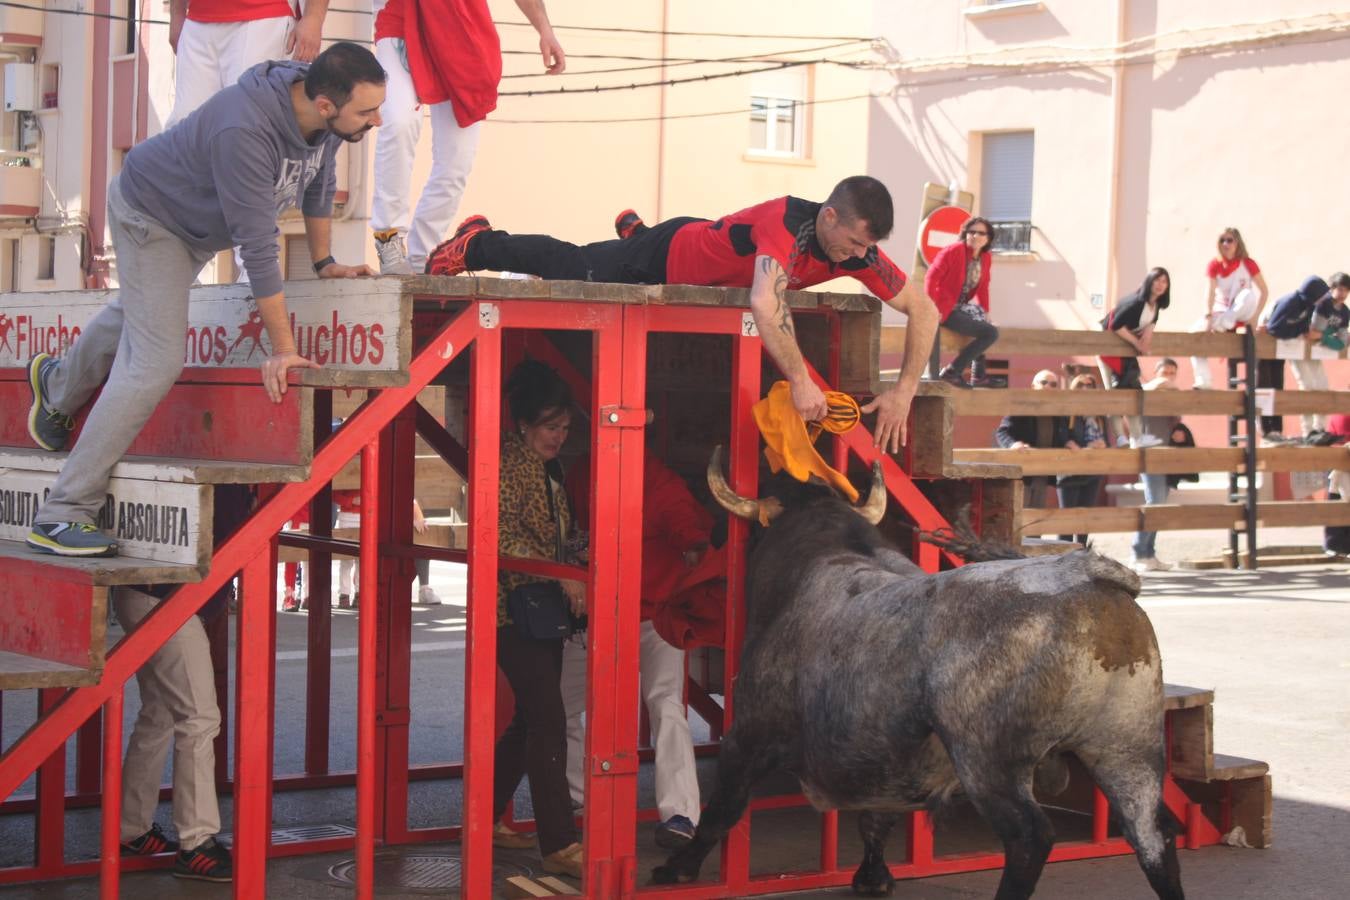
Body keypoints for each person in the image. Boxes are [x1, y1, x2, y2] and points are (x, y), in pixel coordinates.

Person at [23, 44, 384, 557]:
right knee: (154, 362)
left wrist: (324, 262)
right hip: (153, 215)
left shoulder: (324, 112)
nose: (378, 120)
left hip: (192, 224)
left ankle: (58, 384)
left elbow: (318, 182)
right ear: (325, 104)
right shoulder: (246, 130)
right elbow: (258, 251)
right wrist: (282, 349)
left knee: (139, 312)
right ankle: (63, 512)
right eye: (367, 112)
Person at [425, 176, 939, 452]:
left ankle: (633, 230)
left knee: (621, 253)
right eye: (849, 242)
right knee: (576, 265)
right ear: (829, 216)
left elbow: (926, 310)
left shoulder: (860, 251)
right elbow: (766, 301)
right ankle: (478, 243)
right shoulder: (788, 222)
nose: (854, 257)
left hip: (706, 250)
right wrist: (802, 383)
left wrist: (904, 392)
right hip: (665, 259)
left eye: (863, 248)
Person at [561, 447, 716, 850]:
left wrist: (696, 545)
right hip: (604, 612)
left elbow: (682, 520)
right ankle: (578, 797)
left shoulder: (654, 477)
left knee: (664, 701)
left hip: (654, 613)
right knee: (556, 702)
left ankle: (681, 812)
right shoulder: (582, 470)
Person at [116, 484, 253, 883]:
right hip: (167, 599)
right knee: (198, 718)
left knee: (159, 713)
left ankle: (131, 829)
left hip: (146, 592)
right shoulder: (227, 473)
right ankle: (196, 844)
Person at [369, 0, 566, 274]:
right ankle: (388, 237)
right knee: (399, 122)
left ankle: (423, 258)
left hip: (461, 28)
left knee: (457, 161)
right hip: (400, 17)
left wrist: (545, 29)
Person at [490, 360, 586, 879]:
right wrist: (559, 571)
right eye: (551, 427)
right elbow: (497, 534)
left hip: (541, 609)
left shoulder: (549, 467)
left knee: (530, 718)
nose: (559, 437)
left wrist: (573, 565)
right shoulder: (509, 462)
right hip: (512, 608)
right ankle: (558, 842)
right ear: (524, 423)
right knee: (549, 720)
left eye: (566, 428)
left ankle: (483, 820)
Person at [167, 0, 329, 127]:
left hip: (264, 16)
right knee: (184, 123)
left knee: (247, 122)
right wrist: (177, 14)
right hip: (197, 19)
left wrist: (313, 17)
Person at [1190, 227, 1268, 389]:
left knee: (1247, 295)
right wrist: (1208, 317)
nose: (1226, 244)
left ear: (1237, 243)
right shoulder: (1214, 265)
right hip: (1223, 312)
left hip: (1243, 312)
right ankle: (1203, 380)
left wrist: (1255, 318)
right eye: (1222, 240)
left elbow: (1264, 291)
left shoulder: (1248, 264)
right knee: (1194, 333)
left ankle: (1226, 322)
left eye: (1230, 240)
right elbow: (1210, 292)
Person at [926, 216, 1000, 388]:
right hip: (944, 308)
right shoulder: (953, 251)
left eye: (981, 233)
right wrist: (931, 307)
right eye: (971, 232)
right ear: (965, 234)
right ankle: (953, 371)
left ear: (988, 238)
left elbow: (983, 287)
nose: (975, 236)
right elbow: (931, 277)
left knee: (983, 320)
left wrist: (986, 311)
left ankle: (978, 376)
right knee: (990, 333)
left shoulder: (985, 257)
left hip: (960, 307)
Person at [1130, 359, 1182, 573]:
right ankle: (1138, 551)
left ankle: (1149, 553)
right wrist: (1165, 384)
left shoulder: (1173, 397)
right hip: (1149, 453)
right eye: (1165, 371)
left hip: (1167, 453)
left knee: (1160, 504)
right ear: (1156, 373)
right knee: (1154, 501)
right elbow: (1145, 390)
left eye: (1172, 372)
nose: (1168, 376)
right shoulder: (1148, 392)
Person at [993, 368, 1066, 509]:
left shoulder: (1059, 412)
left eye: (1053, 384)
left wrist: (1068, 442)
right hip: (1022, 472)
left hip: (1043, 473)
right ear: (1033, 386)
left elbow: (1062, 436)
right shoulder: (1021, 407)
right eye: (1044, 382)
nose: (1049, 387)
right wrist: (1012, 444)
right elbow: (1002, 432)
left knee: (1036, 521)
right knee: (1018, 518)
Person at [1056, 373, 1108, 546]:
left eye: (1090, 386)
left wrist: (1102, 444)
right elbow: (1060, 435)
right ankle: (1062, 559)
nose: (1085, 389)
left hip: (1093, 470)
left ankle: (1081, 555)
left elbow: (1106, 439)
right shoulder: (1067, 412)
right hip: (1069, 471)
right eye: (1081, 385)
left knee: (1085, 519)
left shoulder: (1099, 415)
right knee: (1067, 519)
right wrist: (1067, 442)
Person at [1099, 266, 1170, 390]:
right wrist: (1137, 343)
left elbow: (1152, 321)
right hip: (1107, 340)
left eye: (1164, 281)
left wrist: (1147, 335)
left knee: (1131, 377)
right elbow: (1116, 325)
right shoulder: (1136, 303)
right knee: (1112, 385)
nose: (1160, 284)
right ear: (1149, 281)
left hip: (1125, 342)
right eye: (1157, 280)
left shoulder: (1156, 304)